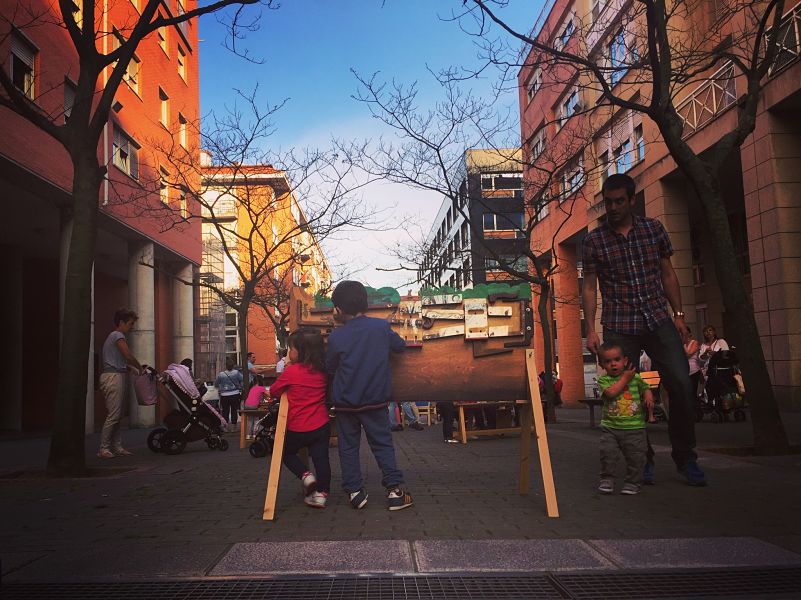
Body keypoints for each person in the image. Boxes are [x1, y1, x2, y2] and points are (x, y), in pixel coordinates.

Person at [582, 173, 707, 486]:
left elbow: (668, 274)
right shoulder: (594, 240)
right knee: (626, 394)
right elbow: (589, 287)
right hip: (619, 324)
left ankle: (686, 457)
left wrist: (679, 315)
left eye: (619, 201)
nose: (613, 208)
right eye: (608, 202)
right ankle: (641, 459)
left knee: (681, 383)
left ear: (632, 200)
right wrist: (590, 329)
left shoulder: (653, 229)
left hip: (657, 319)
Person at [325, 280, 414, 511]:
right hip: (375, 400)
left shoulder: (336, 336)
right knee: (382, 445)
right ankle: (394, 492)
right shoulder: (380, 327)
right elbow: (400, 346)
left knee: (348, 447)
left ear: (339, 309)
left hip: (345, 403)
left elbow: (330, 367)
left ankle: (355, 492)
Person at [269, 329, 331, 508]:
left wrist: (287, 368)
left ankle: (305, 475)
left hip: (297, 426)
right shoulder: (322, 371)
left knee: (286, 452)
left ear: (302, 352)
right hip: (320, 424)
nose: (289, 352)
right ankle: (321, 495)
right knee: (321, 459)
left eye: (291, 349)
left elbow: (274, 391)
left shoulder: (292, 371)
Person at [596, 342, 654, 495]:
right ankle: (607, 479)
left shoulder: (635, 378)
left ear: (625, 360)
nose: (613, 364)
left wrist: (648, 396)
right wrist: (625, 378)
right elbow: (611, 393)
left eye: (617, 359)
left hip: (634, 428)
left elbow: (645, 387)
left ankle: (633, 482)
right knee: (607, 454)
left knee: (636, 457)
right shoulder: (604, 380)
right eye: (608, 361)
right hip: (610, 427)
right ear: (602, 365)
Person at [98, 308, 142, 458]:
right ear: (121, 322)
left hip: (116, 375)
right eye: (130, 324)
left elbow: (118, 360)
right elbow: (127, 355)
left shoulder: (114, 337)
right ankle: (104, 448)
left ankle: (116, 446)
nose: (132, 327)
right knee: (114, 415)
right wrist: (139, 367)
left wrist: (129, 368)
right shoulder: (117, 335)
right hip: (113, 377)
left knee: (117, 415)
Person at [215, 357, 243, 429]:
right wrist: (239, 386)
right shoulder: (236, 373)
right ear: (233, 365)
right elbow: (242, 379)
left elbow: (216, 384)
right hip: (235, 394)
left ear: (226, 366)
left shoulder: (221, 374)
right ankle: (234, 426)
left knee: (225, 411)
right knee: (234, 410)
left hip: (224, 395)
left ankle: (226, 427)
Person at [685, 327, 703, 399]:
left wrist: (682, 345)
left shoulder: (694, 342)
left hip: (694, 371)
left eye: (686, 333)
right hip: (685, 372)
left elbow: (689, 354)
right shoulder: (682, 344)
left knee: (693, 394)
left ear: (690, 334)